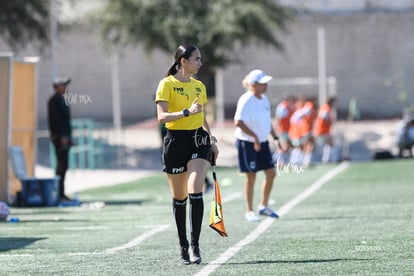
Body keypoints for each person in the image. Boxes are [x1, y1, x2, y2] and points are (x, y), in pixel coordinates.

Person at [154, 44, 219, 265]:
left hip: (197, 140)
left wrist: (211, 140)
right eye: (197, 59)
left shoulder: (199, 86)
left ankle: (195, 246)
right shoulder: (166, 84)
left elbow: (202, 118)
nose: (200, 63)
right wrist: (185, 112)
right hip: (174, 142)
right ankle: (183, 247)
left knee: (195, 188)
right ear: (183, 61)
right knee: (179, 198)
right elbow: (161, 117)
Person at [234, 69, 280, 222]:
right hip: (248, 144)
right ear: (254, 84)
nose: (266, 85)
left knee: (271, 173)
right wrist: (254, 138)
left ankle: (263, 206)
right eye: (263, 83)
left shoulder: (265, 99)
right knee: (251, 177)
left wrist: (276, 137)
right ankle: (249, 210)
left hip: (263, 142)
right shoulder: (246, 99)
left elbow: (267, 122)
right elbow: (238, 122)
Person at [47, 77, 73, 202]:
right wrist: (62, 136)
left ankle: (61, 193)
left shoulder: (62, 100)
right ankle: (58, 194)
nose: (66, 88)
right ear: (57, 87)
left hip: (65, 138)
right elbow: (56, 120)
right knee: (61, 167)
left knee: (64, 166)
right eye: (63, 85)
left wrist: (69, 137)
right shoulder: (54, 100)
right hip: (59, 138)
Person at [313, 96, 336, 163]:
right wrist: (330, 121)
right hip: (322, 130)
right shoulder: (325, 108)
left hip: (324, 129)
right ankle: (325, 159)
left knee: (328, 144)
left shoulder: (326, 108)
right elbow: (323, 117)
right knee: (328, 143)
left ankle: (326, 158)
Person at [274, 96, 296, 164]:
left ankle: (284, 160)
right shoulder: (283, 107)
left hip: (287, 129)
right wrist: (278, 128)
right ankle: (278, 160)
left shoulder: (286, 107)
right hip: (283, 129)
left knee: (287, 145)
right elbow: (279, 118)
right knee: (283, 145)